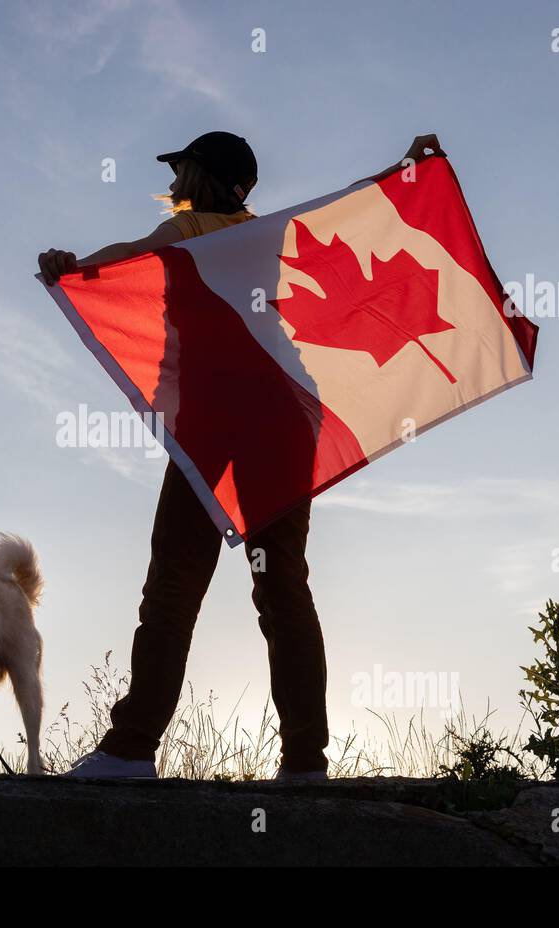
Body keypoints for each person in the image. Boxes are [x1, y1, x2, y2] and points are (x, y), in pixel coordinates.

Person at [39, 131, 441, 781]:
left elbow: (133, 255)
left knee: (173, 582)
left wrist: (74, 264)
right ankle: (306, 762)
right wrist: (405, 171)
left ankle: (131, 749)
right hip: (285, 414)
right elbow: (345, 207)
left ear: (203, 176)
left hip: (221, 416)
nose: (173, 178)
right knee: (282, 586)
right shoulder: (265, 237)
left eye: (183, 167)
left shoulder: (194, 228)